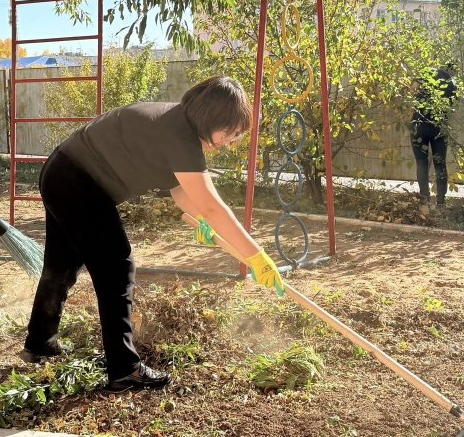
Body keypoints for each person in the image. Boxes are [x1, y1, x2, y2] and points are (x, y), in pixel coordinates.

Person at [25, 75, 285, 391]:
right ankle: (124, 370)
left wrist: (200, 220)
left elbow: (181, 190)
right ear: (213, 118)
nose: (230, 142)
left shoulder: (177, 123)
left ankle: (40, 342)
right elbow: (213, 206)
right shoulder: (180, 136)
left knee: (62, 265)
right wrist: (255, 256)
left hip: (61, 172)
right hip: (77, 183)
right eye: (230, 133)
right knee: (117, 266)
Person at [410, 64, 457, 211]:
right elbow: (452, 102)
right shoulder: (451, 82)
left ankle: (424, 200)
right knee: (440, 164)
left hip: (419, 125)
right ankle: (441, 203)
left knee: (421, 163)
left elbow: (412, 91)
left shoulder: (424, 74)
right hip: (439, 126)